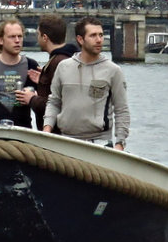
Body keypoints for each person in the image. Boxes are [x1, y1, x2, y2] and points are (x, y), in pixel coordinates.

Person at [43, 16, 129, 151]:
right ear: (80, 39)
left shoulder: (113, 71)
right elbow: (54, 102)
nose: (99, 40)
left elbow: (121, 110)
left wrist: (119, 144)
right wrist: (46, 130)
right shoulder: (63, 67)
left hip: (100, 142)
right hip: (65, 140)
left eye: (101, 35)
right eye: (93, 35)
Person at [22, 14, 78, 129]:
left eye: (38, 34)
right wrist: (43, 81)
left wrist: (31, 99)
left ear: (45, 37)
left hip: (58, 135)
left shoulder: (59, 62)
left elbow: (61, 103)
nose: (37, 38)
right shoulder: (66, 58)